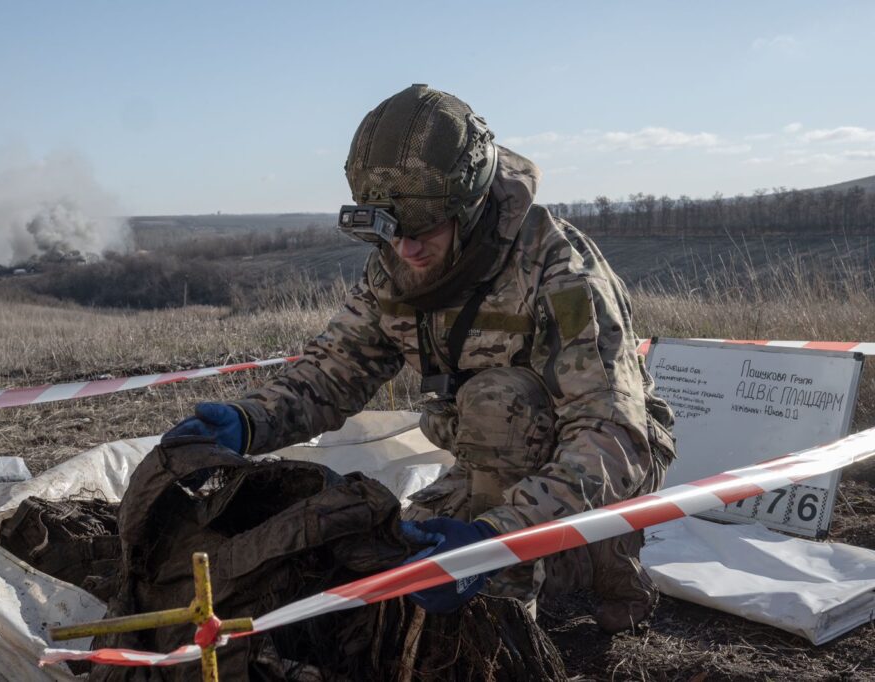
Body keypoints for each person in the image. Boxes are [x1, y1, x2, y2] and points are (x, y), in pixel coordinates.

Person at [164, 84, 676, 632]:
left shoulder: (559, 273)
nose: (406, 250)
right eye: (389, 228)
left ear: (471, 204)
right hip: (487, 455)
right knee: (399, 558)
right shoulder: (397, 264)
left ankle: (559, 582)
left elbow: (614, 435)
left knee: (495, 418)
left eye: (423, 228)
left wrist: (492, 541)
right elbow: (335, 369)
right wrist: (250, 421)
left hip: (602, 463)